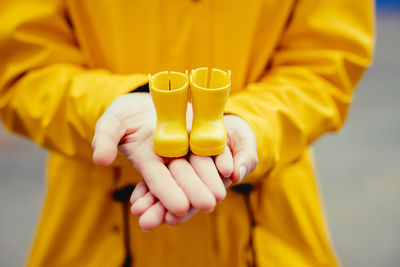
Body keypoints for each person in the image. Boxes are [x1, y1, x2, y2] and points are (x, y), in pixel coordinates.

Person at [0, 0, 374, 266]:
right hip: (94, 233)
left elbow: (326, 61)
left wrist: (252, 121)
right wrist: (119, 103)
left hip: (267, 232)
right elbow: (24, 66)